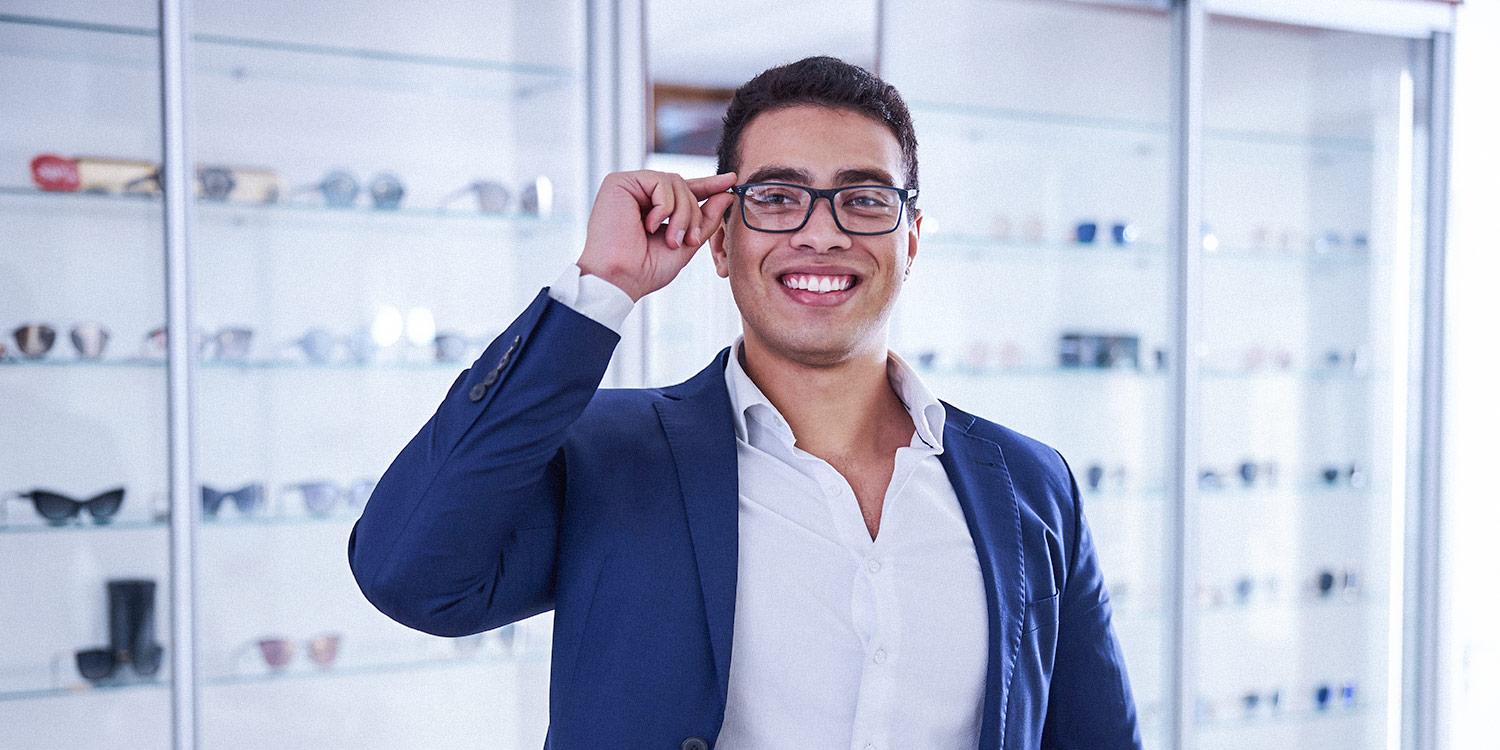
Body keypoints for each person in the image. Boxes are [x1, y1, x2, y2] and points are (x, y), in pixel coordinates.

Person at [348, 55, 1140, 749]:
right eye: (778, 197)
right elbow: (409, 575)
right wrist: (601, 289)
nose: (821, 234)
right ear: (721, 241)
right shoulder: (612, 455)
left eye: (863, 200)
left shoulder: (1033, 485)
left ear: (913, 239)